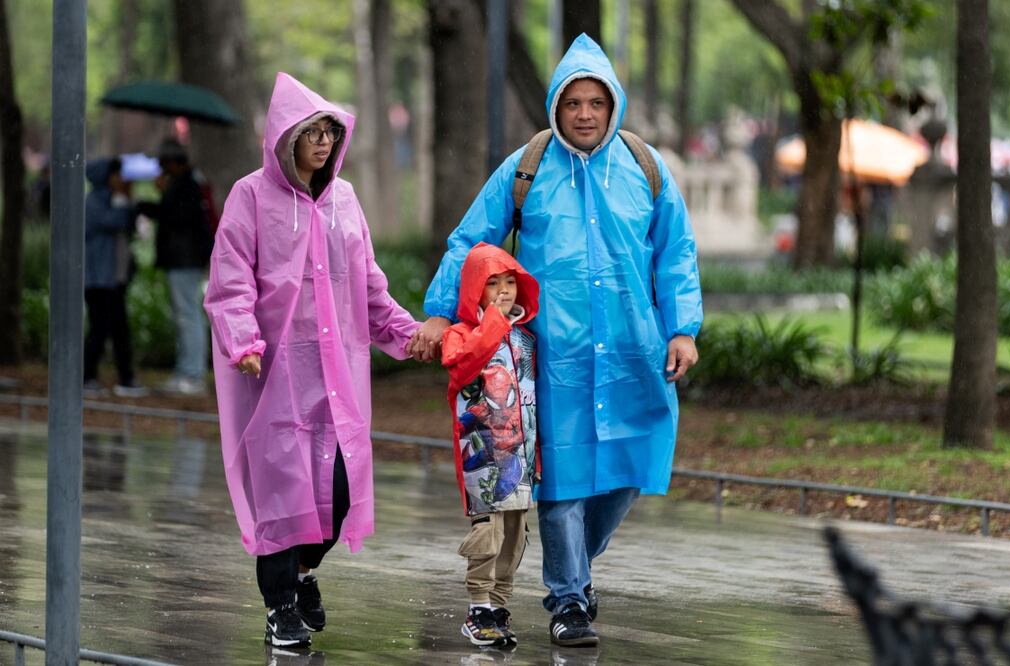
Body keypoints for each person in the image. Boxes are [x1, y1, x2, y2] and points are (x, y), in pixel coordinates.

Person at [413, 34, 703, 647]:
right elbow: (470, 240)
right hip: (552, 356)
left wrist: (682, 329)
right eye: (574, 103)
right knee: (563, 477)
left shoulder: (644, 166)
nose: (585, 114)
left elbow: (676, 250)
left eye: (596, 102)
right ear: (556, 106)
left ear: (613, 104)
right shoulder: (526, 168)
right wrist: (440, 311)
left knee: (633, 464)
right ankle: (568, 598)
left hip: (633, 352)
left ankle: (578, 566)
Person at [204, 72, 421, 649]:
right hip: (274, 375)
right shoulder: (250, 196)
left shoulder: (344, 199)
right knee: (282, 498)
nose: (323, 142)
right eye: (311, 132)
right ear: (285, 137)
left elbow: (369, 286)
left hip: (337, 376)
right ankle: (280, 608)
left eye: (330, 132)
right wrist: (243, 343)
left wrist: (411, 334)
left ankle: (303, 572)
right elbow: (230, 281)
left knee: (339, 491)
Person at [442, 242, 540, 649]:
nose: (503, 291)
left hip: (522, 455)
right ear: (474, 290)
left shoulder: (526, 339)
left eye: (509, 283)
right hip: (483, 458)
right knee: (489, 533)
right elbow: (463, 368)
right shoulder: (458, 335)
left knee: (516, 535)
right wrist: (494, 322)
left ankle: (498, 606)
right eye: (492, 283)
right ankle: (478, 607)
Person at [139, 138, 213, 396]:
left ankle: (192, 375)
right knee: (185, 315)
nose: (162, 170)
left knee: (188, 315)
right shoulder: (188, 183)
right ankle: (185, 371)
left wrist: (162, 196)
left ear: (172, 163)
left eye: (164, 164)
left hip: (185, 259)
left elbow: (177, 218)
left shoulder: (187, 185)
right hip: (183, 259)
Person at [83, 157, 149, 398]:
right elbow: (112, 221)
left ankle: (126, 378)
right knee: (100, 329)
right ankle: (87, 376)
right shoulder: (94, 201)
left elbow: (130, 225)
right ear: (106, 177)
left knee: (120, 329)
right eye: (117, 175)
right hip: (98, 279)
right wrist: (123, 201)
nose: (121, 180)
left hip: (115, 279)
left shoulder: (114, 199)